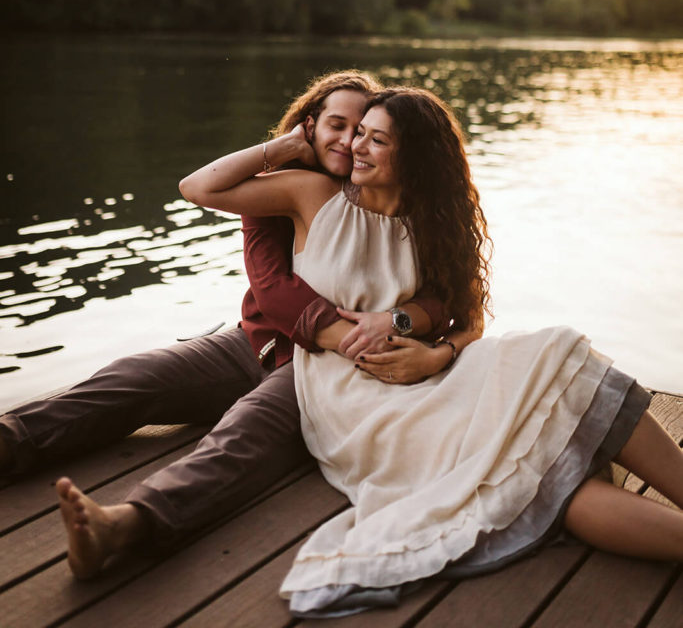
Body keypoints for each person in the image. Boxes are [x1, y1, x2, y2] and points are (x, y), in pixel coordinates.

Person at [147, 86, 682, 616]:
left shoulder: (431, 222)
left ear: (413, 158)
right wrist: (287, 145)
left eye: (376, 140)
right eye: (359, 132)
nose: (356, 146)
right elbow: (198, 187)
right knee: (540, 478)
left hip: (429, 372)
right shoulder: (313, 195)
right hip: (352, 397)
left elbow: (469, 319)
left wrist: (434, 354)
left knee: (565, 362)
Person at [0, 71, 454, 578]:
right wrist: (281, 148)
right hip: (256, 343)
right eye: (336, 125)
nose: (350, 142)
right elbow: (272, 291)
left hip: (319, 371)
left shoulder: (389, 204)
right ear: (309, 126)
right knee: (136, 376)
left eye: (364, 130)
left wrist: (396, 333)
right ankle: (9, 441)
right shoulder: (288, 191)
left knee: (242, 433)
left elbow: (444, 297)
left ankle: (127, 525)